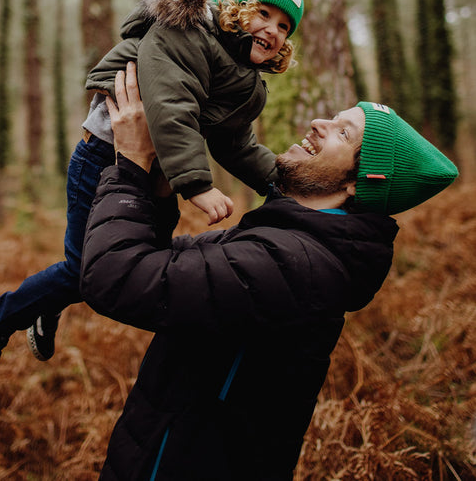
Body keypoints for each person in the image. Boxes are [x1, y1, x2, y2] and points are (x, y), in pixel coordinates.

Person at [79, 65, 458, 481]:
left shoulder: (296, 264)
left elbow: (116, 276)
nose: (318, 123)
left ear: (359, 182)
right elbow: (155, 260)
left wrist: (132, 164)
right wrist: (160, 181)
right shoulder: (288, 241)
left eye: (343, 132)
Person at [0, 0, 305, 393]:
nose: (274, 31)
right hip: (105, 157)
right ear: (233, 7)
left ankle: (45, 302)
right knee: (92, 267)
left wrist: (282, 181)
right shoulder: (185, 33)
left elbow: (237, 142)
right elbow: (171, 106)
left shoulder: (243, 81)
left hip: (154, 174)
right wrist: (197, 183)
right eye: (264, 14)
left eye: (284, 25)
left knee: (133, 263)